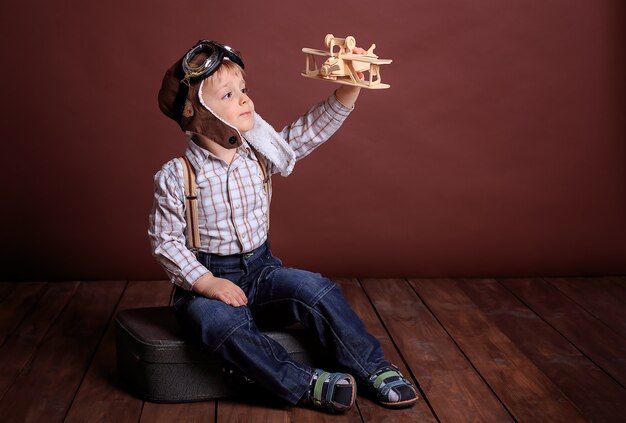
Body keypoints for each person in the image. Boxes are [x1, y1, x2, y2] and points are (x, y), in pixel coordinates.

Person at [149, 39, 417, 413]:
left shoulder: (260, 154)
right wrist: (206, 282)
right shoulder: (178, 175)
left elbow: (306, 133)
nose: (245, 100)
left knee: (316, 289)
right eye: (229, 94)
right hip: (206, 284)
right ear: (195, 111)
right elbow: (166, 242)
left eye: (244, 90)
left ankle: (372, 366)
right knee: (216, 324)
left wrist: (348, 89)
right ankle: (305, 382)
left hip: (261, 272)